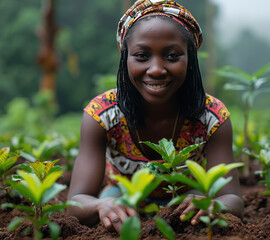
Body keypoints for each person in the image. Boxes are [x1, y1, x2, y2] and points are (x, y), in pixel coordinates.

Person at [67, 0, 243, 234]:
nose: (157, 69)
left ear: (190, 58)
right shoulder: (101, 115)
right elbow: (77, 200)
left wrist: (212, 205)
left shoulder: (212, 118)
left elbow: (233, 199)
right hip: (122, 197)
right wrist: (102, 205)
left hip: (186, 204)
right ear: (125, 57)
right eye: (141, 56)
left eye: (172, 56)